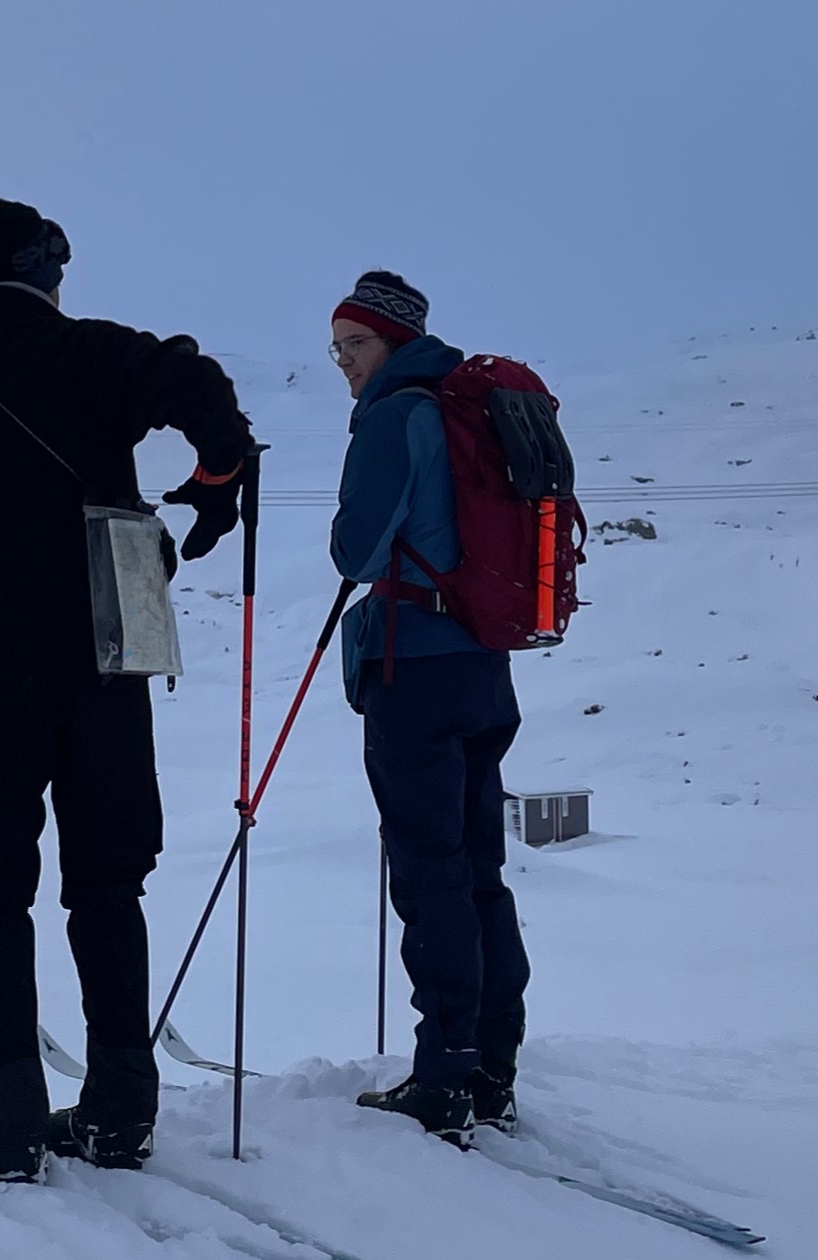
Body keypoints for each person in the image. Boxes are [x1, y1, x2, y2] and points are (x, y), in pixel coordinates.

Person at [0, 199, 255, 1181]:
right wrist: (218, 479)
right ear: (43, 268)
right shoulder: (92, 356)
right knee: (107, 881)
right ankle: (118, 1112)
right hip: (107, 655)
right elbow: (193, 384)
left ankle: (4, 1125)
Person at [324, 270, 530, 1144]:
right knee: (478, 867)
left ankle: (441, 1078)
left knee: (429, 870)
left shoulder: (396, 413)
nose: (344, 365)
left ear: (393, 340)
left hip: (416, 668)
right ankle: (491, 1067)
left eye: (355, 346)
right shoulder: (467, 403)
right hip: (484, 662)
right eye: (336, 351)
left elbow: (356, 548)